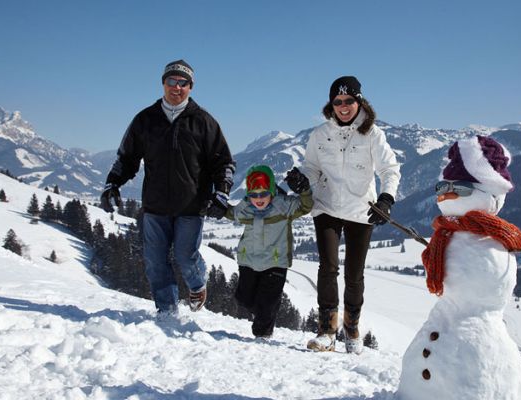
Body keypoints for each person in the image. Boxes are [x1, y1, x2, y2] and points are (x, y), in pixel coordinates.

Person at [100, 59, 235, 315]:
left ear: (190, 87)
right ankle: (168, 312)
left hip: (191, 205)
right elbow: (127, 158)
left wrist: (222, 193)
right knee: (155, 262)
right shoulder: (145, 120)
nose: (177, 87)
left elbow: (224, 161)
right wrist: (112, 184)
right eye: (172, 81)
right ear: (163, 83)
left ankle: (197, 284)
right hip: (155, 204)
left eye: (183, 83)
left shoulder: (203, 121)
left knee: (186, 256)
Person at [302, 76, 401, 354]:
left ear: (359, 102)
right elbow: (311, 167)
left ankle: (352, 329)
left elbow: (389, 170)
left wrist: (386, 198)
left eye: (349, 101)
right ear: (331, 104)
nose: (343, 107)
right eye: (338, 102)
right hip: (326, 206)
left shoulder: (373, 135)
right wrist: (303, 180)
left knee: (354, 275)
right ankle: (326, 331)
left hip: (361, 210)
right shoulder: (320, 134)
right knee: (328, 267)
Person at [225, 165, 313, 339]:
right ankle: (267, 311)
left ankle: (262, 335)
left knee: (267, 304)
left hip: (275, 262)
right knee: (244, 299)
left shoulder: (284, 207)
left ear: (272, 190)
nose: (258, 199)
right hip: (249, 261)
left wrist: (304, 190)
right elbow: (229, 212)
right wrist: (215, 205)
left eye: (263, 193)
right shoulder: (245, 208)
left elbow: (306, 206)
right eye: (254, 194)